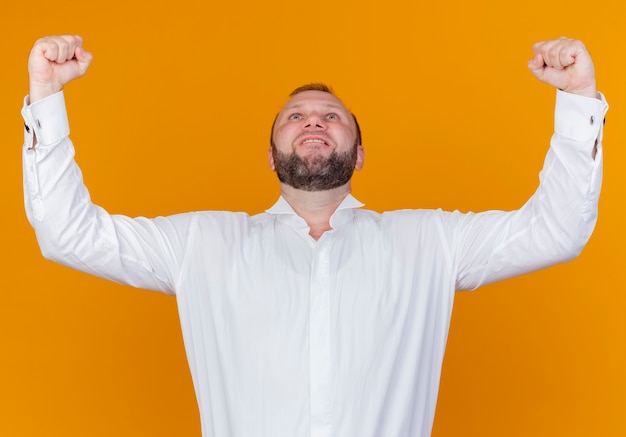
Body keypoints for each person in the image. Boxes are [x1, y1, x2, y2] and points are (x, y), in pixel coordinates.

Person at [22, 35, 608, 437]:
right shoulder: (201, 245)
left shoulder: (429, 241)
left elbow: (555, 230)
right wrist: (46, 95)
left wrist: (578, 96)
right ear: (271, 156)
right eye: (295, 116)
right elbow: (68, 233)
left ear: (358, 155)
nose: (313, 122)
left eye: (331, 116)